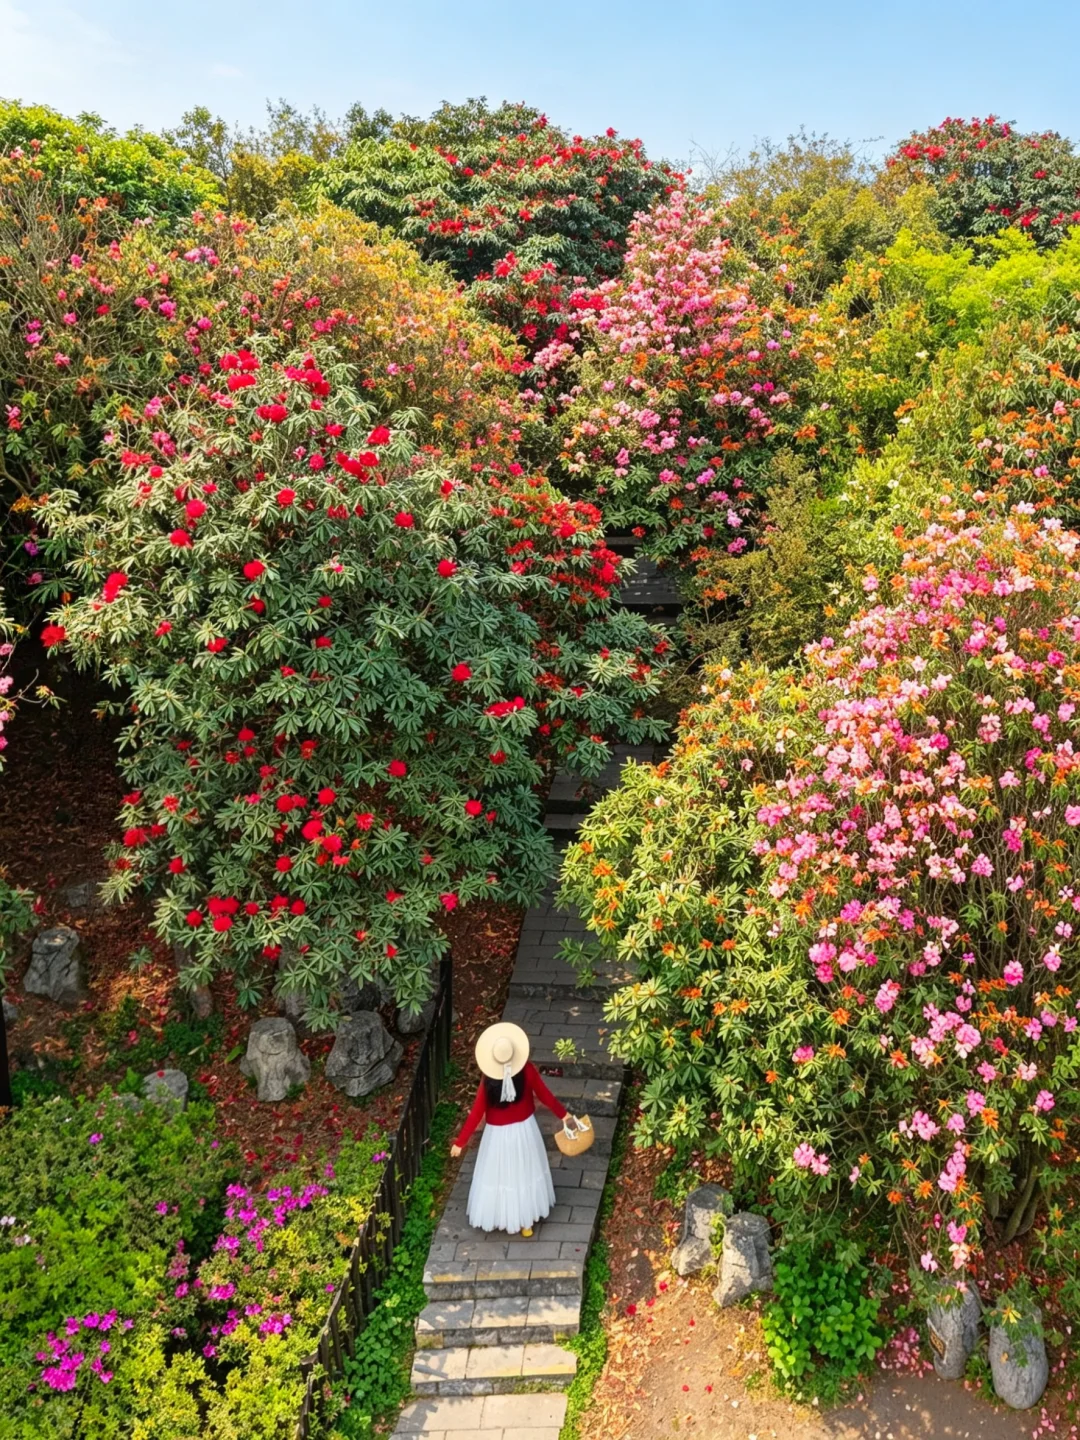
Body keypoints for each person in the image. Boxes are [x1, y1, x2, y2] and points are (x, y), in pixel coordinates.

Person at [450, 1021, 577, 1237]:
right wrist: (564, 1114)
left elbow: (476, 1113)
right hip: (524, 1131)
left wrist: (460, 1142)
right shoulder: (526, 1070)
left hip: (496, 1135)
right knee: (524, 1171)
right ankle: (525, 1222)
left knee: (501, 1174)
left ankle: (503, 1215)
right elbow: (545, 1095)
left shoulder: (488, 1080)